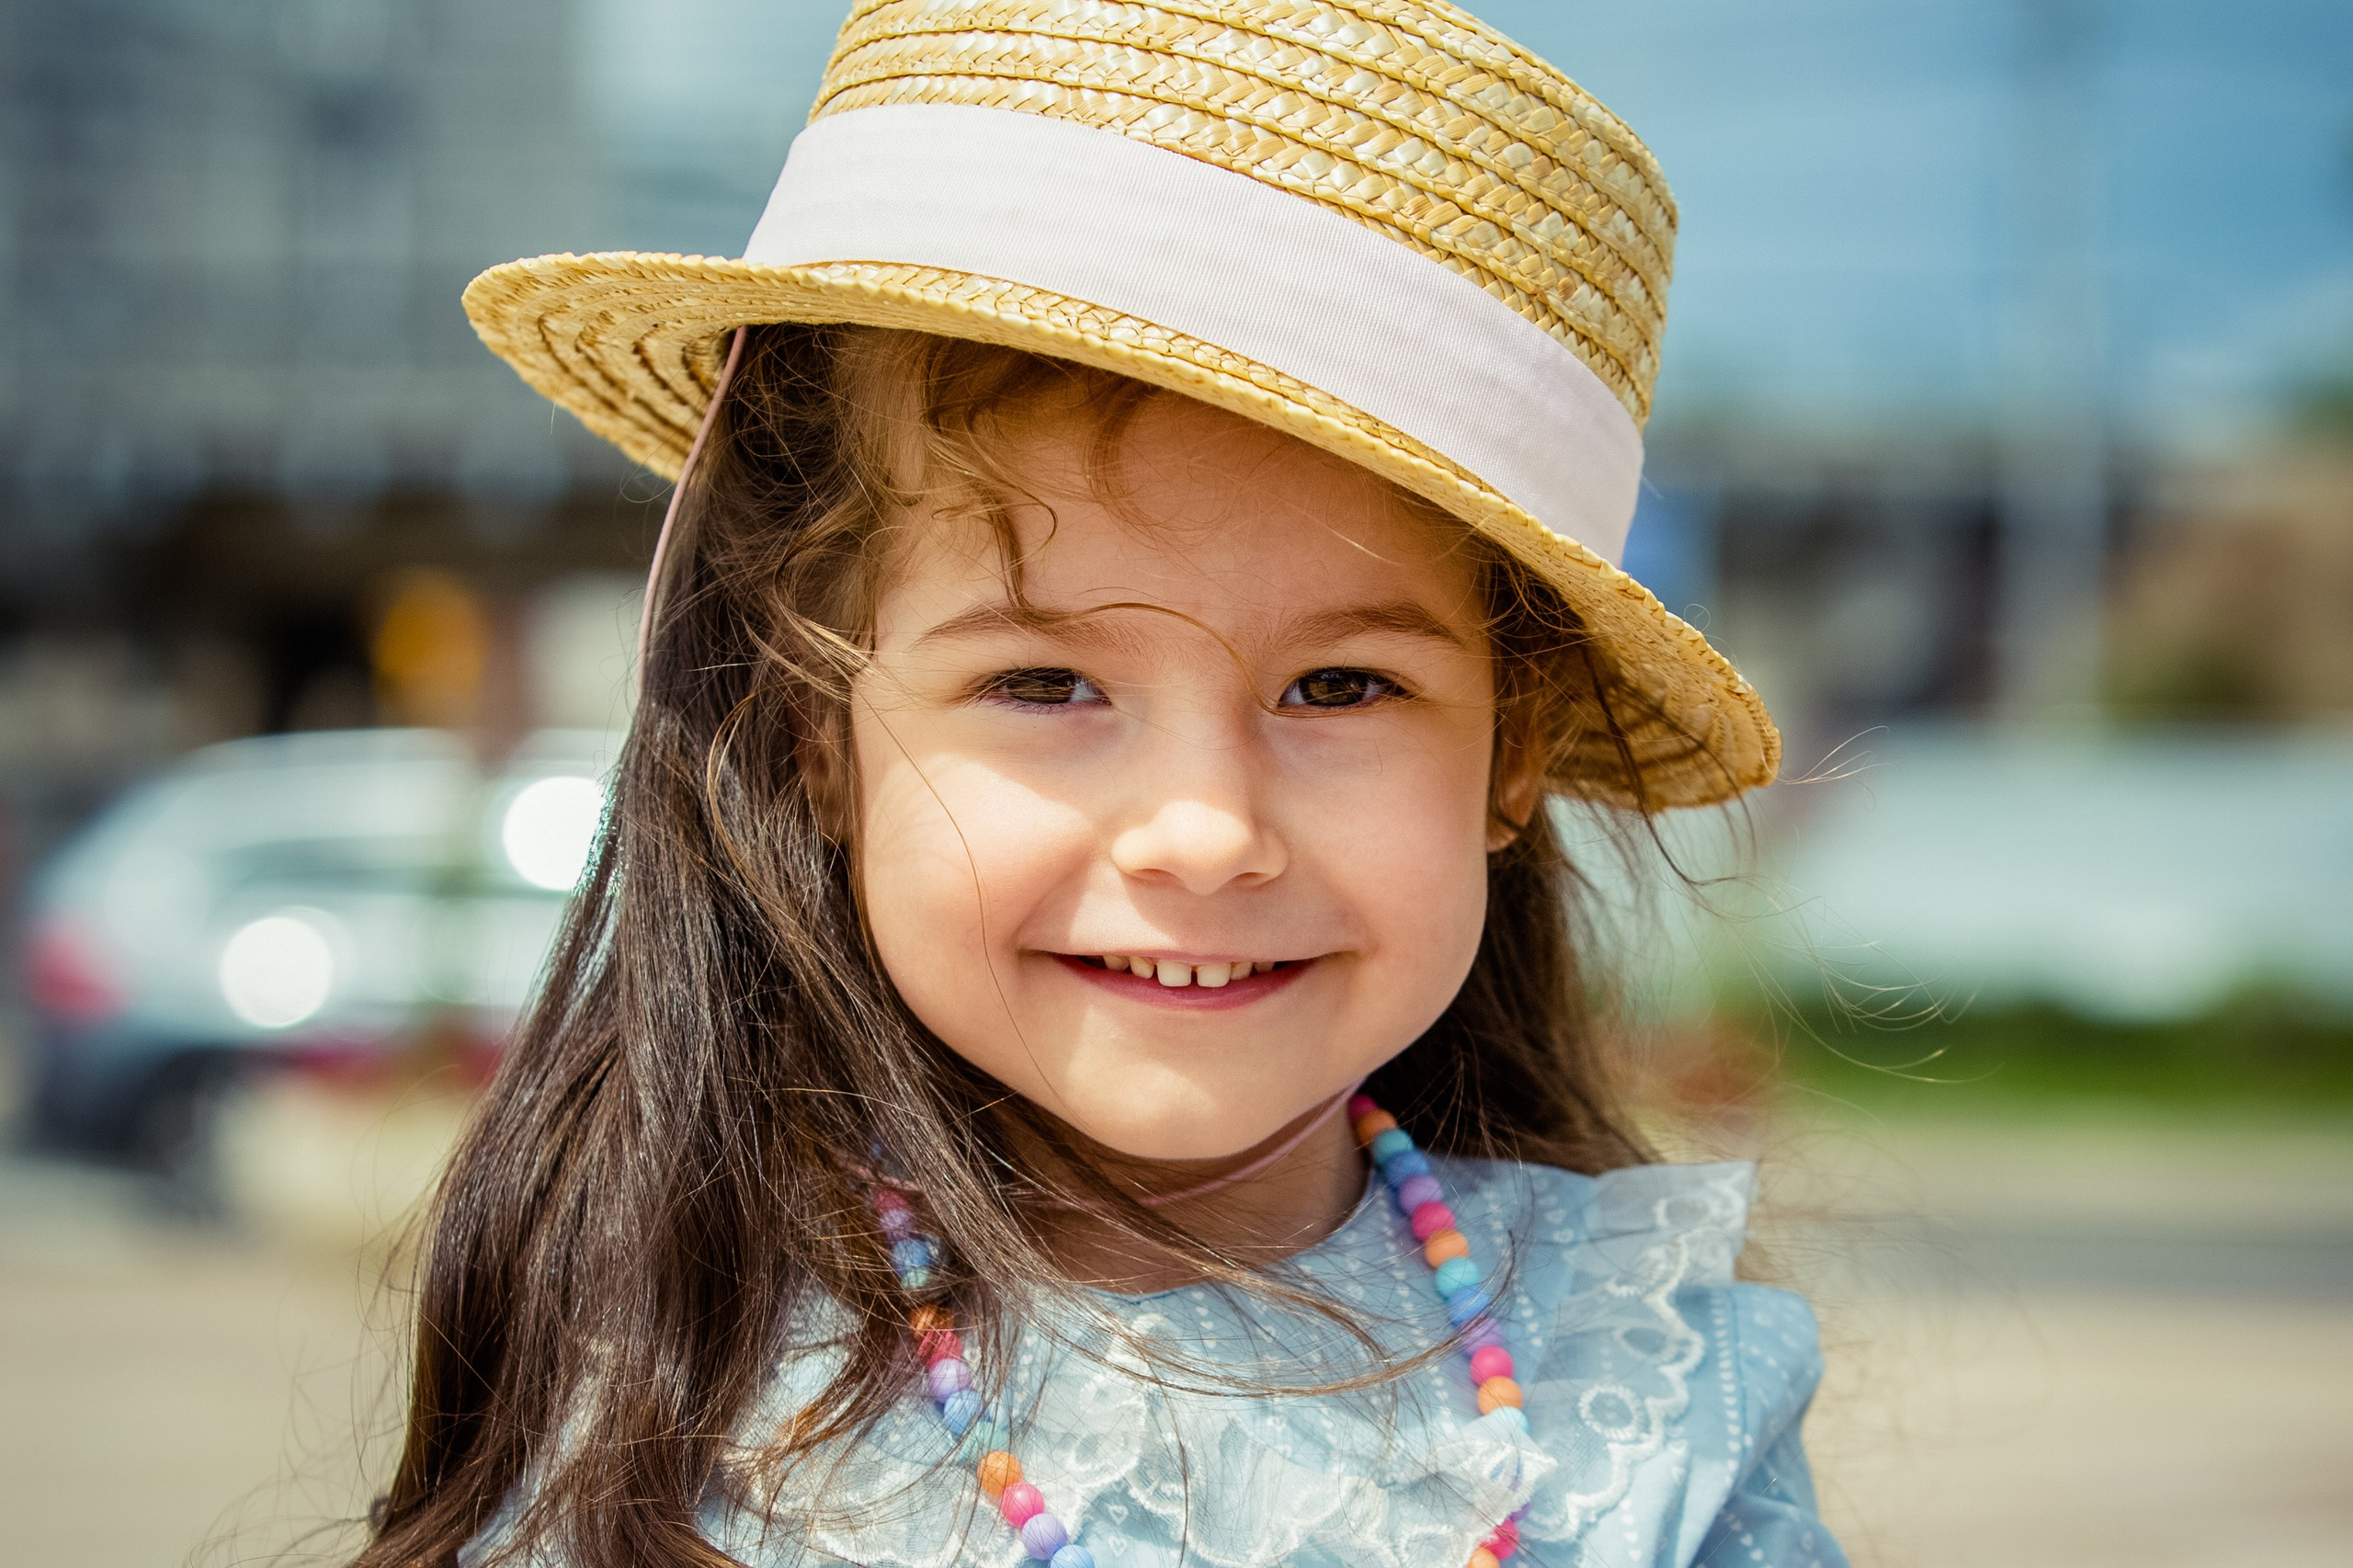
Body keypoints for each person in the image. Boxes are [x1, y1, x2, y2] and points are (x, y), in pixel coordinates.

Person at [363, 4, 1842, 1565]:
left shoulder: (1649, 1392)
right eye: (1045, 683)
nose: (1205, 832)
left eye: (1341, 686)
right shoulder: (669, 1389)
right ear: (816, 726)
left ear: (1513, 743)